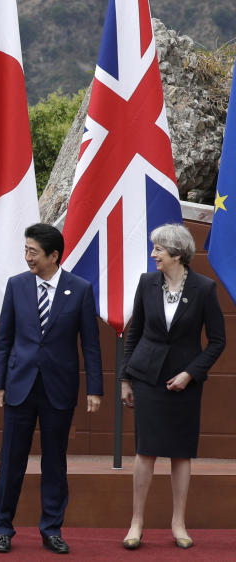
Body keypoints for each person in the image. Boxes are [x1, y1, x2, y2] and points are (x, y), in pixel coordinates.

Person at [0, 223, 103, 555]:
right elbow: (4, 340)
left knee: (55, 462)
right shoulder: (17, 286)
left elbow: (92, 345)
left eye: (33, 252)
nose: (27, 257)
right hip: (19, 386)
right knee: (12, 461)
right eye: (25, 250)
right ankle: (2, 528)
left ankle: (51, 529)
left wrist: (94, 389)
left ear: (53, 255)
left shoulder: (80, 289)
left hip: (59, 389)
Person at [118, 223, 225, 550]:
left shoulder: (205, 289)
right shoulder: (146, 283)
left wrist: (190, 374)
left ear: (177, 253)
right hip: (147, 377)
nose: (153, 255)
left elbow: (217, 341)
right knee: (145, 450)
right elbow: (133, 333)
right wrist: (125, 378)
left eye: (158, 250)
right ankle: (136, 522)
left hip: (184, 383)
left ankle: (178, 522)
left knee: (181, 453)